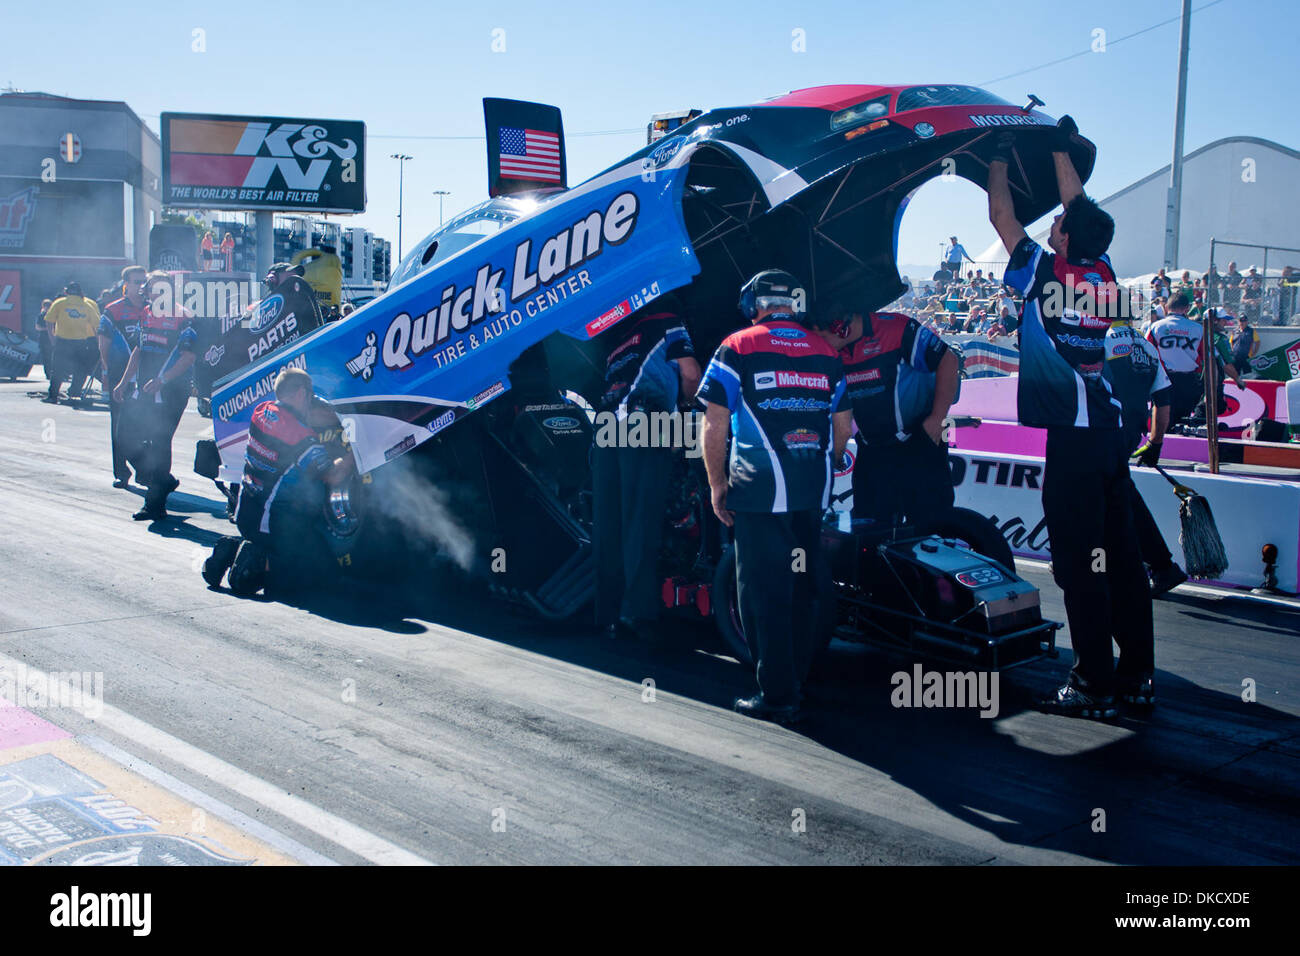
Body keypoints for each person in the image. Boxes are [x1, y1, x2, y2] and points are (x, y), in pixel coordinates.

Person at [988, 117, 1154, 718]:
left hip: (1076, 441)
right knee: (1124, 561)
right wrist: (1060, 147)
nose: (1055, 222)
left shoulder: (1043, 271)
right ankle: (1137, 678)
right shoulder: (1103, 272)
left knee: (1080, 565)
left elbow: (1002, 219)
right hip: (1110, 437)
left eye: (1056, 224)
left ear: (1060, 240)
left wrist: (997, 160)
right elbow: (1081, 210)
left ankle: (1092, 685)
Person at [697, 270, 852, 725]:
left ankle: (778, 693)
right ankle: (797, 678)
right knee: (803, 585)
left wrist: (716, 483)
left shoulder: (738, 345)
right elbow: (843, 428)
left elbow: (714, 424)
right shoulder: (826, 349)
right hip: (811, 491)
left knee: (762, 592)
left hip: (760, 493)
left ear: (753, 304)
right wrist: (820, 464)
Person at [592, 296, 700, 642]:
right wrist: (686, 406)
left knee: (610, 525)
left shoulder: (614, 342)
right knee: (641, 521)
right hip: (646, 424)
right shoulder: (668, 320)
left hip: (606, 430)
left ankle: (607, 613)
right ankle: (637, 613)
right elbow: (692, 374)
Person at [203, 368, 356, 595]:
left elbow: (299, 420)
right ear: (302, 393)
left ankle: (232, 548)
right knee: (322, 573)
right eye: (311, 396)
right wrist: (357, 450)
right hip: (271, 527)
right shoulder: (301, 437)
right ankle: (253, 563)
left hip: (245, 514)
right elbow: (332, 475)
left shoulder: (261, 411)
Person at [820, 304, 959, 529]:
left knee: (931, 524)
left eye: (823, 337)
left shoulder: (897, 327)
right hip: (873, 449)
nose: (821, 344)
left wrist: (937, 418)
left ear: (840, 328)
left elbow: (948, 360)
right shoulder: (833, 353)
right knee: (869, 528)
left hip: (919, 441)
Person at [1105, 314, 1188, 598]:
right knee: (1118, 491)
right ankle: (1161, 566)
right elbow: (1163, 399)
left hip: (1104, 429)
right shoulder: (1148, 346)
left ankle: (1159, 565)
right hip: (1132, 431)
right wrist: (1156, 442)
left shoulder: (1100, 340)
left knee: (1109, 494)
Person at [112, 273, 197, 520]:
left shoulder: (184, 316)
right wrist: (123, 381)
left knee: (160, 444)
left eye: (155, 289)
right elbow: (138, 349)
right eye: (149, 289)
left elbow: (189, 357)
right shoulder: (146, 313)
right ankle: (162, 479)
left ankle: (155, 505)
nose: (149, 293)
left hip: (171, 390)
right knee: (124, 437)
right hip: (144, 388)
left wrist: (163, 379)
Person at [1146, 294, 1242, 427]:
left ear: (1167, 308)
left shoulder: (1155, 327)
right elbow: (1210, 361)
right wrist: (1211, 389)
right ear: (1187, 308)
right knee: (1181, 424)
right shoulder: (1198, 329)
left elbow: (1146, 355)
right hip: (1188, 382)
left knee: (1162, 424)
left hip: (1163, 380)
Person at [98, 266, 150, 488]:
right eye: (136, 282)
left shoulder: (154, 308)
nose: (141, 286)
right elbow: (103, 344)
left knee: (147, 425)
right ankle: (121, 472)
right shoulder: (113, 310)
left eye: (143, 282)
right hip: (121, 376)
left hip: (147, 377)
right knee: (119, 425)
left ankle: (145, 470)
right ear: (126, 285)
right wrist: (108, 371)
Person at [42, 282, 101, 405]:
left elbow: (48, 321)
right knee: (81, 370)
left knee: (57, 370)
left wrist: (52, 338)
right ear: (81, 292)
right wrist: (99, 343)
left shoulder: (59, 303)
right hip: (81, 342)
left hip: (62, 341)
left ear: (66, 292)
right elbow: (97, 326)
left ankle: (53, 396)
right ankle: (75, 393)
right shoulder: (87, 305)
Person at [34, 298, 53, 381]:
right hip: (44, 339)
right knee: (46, 358)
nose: (47, 308)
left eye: (49, 306)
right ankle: (48, 374)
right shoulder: (41, 316)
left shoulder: (53, 316)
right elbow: (37, 327)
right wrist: (47, 329)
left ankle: (54, 373)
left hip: (51, 338)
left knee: (53, 357)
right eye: (46, 306)